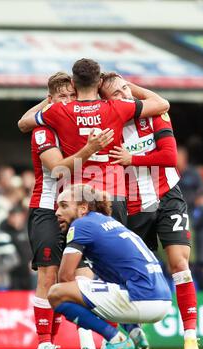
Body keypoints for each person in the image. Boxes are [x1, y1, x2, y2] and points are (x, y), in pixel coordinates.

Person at [100, 72, 200, 349]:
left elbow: (169, 157)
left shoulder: (155, 112)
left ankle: (190, 336)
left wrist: (133, 159)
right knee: (125, 272)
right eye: (117, 94)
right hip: (133, 206)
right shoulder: (109, 127)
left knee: (179, 263)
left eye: (125, 89)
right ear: (107, 103)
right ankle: (133, 335)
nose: (125, 96)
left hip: (168, 195)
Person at [27, 72, 114, 349]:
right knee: (49, 275)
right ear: (50, 101)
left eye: (71, 96)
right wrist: (90, 149)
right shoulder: (44, 130)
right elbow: (58, 170)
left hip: (76, 211)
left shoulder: (75, 125)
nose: (67, 102)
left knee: (79, 277)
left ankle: (83, 343)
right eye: (61, 97)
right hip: (47, 209)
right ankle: (44, 344)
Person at [18, 58, 169, 225]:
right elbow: (162, 104)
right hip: (112, 196)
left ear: (73, 83)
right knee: (112, 249)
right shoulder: (117, 107)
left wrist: (48, 101)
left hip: (80, 199)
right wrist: (126, 85)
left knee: (78, 249)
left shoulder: (57, 110)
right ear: (100, 83)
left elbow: (23, 123)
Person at [47, 184, 172, 349]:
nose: (57, 212)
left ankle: (114, 340)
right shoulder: (109, 223)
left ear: (83, 208)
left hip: (142, 298)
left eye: (64, 205)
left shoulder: (82, 224)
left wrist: (85, 305)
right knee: (109, 289)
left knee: (56, 293)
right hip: (163, 300)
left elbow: (65, 278)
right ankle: (137, 337)